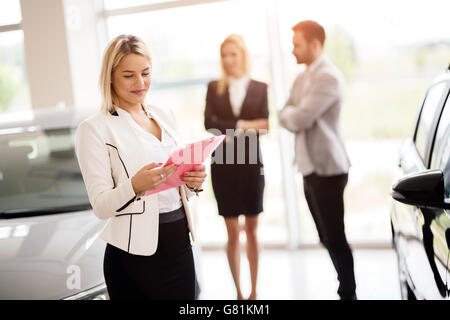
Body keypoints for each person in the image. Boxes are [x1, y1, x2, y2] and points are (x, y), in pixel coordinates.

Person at [75, 34, 206, 300]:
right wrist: (136, 186)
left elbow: (174, 187)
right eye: (129, 75)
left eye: (146, 73)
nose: (141, 83)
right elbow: (101, 206)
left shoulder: (164, 114)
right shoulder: (95, 129)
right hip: (133, 257)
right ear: (110, 77)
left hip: (179, 243)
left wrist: (193, 182)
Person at [278, 21, 356, 300]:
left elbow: (297, 117)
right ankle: (344, 285)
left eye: (296, 44)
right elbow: (285, 113)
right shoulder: (302, 78)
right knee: (325, 236)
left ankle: (348, 291)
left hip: (329, 169)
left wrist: (293, 115)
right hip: (309, 167)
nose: (292, 51)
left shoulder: (328, 77)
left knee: (334, 236)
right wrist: (292, 115)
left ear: (314, 44)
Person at [204, 34, 269, 300]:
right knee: (231, 233)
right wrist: (246, 124)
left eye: (234, 54)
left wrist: (235, 125)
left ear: (243, 55)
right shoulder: (214, 87)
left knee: (252, 231)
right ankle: (239, 293)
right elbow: (209, 123)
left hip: (251, 166)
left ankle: (254, 291)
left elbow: (265, 125)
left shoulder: (260, 87)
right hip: (223, 167)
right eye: (224, 55)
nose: (229, 60)